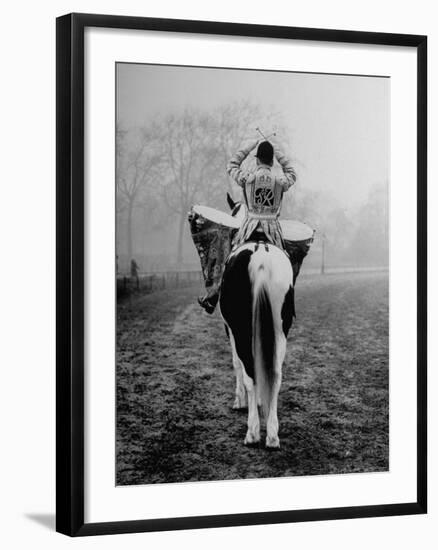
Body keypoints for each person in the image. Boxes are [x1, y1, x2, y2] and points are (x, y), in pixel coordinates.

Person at [196, 139, 297, 314]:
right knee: (288, 260)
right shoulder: (281, 181)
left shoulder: (247, 178)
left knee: (227, 258)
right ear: (272, 161)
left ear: (257, 160)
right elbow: (292, 172)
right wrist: (278, 152)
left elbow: (232, 164)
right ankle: (288, 298)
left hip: (248, 229)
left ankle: (213, 296)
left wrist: (250, 146)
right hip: (273, 232)